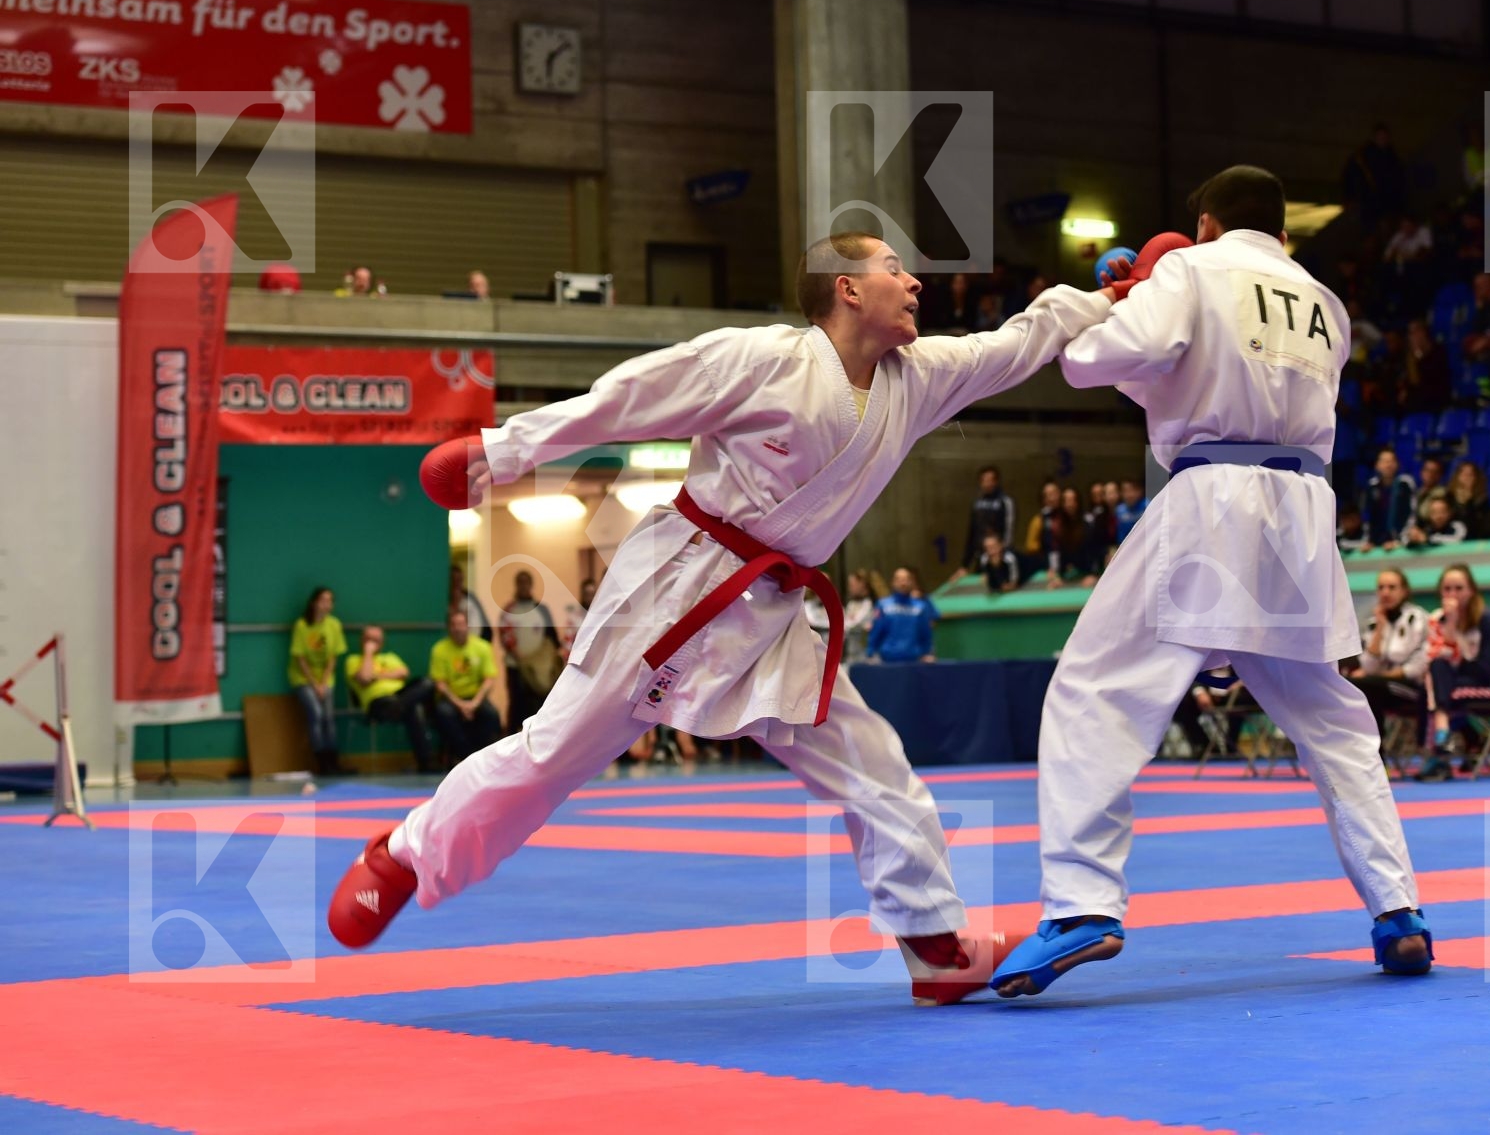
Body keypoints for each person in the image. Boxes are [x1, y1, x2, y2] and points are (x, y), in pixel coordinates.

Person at [328, 230, 1116, 1007]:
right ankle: (404, 855)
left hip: (775, 611)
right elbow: (630, 397)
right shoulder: (762, 359)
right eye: (893, 268)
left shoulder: (921, 377)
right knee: (554, 752)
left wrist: (1111, 297)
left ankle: (938, 947)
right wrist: (500, 452)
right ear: (847, 288)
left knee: (875, 766)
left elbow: (1024, 338)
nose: (915, 284)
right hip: (681, 587)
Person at [991, 166, 1431, 1003]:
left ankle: (1083, 904)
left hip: (1212, 499)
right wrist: (1148, 309)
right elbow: (1190, 375)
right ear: (1285, 232)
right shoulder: (1325, 303)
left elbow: (1102, 363)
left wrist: (1116, 303)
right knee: (1334, 723)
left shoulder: (1192, 271)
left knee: (1095, 690)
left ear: (1203, 225)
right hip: (1303, 509)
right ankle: (1398, 910)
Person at [1414, 565, 1490, 782]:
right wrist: (1451, 625)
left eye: (1459, 588)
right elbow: (1434, 655)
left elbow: (1488, 671)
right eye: (1447, 589)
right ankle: (1443, 738)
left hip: (1487, 683)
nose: (1452, 594)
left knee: (1433, 684)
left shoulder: (1489, 621)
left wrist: (1458, 648)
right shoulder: (1437, 619)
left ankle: (1438, 750)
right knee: (1435, 671)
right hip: (1450, 681)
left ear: (1471, 591)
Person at [1346, 568, 1431, 737]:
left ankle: (1377, 749)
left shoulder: (1418, 618)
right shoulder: (1374, 623)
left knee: (1365, 685)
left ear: (1404, 591)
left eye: (1392, 587)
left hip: (1413, 687)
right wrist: (1380, 628)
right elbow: (1369, 666)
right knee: (1353, 685)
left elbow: (1421, 663)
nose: (1385, 593)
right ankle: (1367, 746)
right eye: (1381, 588)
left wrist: (1386, 675)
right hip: (1381, 687)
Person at [346, 626, 440, 774]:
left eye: (376, 640)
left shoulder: (390, 657)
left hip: (401, 696)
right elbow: (364, 678)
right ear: (362, 641)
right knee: (414, 709)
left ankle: (399, 707)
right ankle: (426, 762)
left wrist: (376, 677)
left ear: (382, 643)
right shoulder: (354, 660)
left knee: (427, 683)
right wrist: (368, 653)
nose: (372, 643)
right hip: (377, 703)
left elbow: (404, 672)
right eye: (369, 639)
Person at [288, 587, 350, 776]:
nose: (327, 604)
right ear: (314, 602)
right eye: (323, 600)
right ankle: (321, 761)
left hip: (326, 678)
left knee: (328, 717)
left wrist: (323, 683)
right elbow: (300, 658)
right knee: (316, 713)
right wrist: (314, 684)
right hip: (304, 678)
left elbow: (333, 657)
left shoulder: (334, 625)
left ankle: (333, 760)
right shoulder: (302, 625)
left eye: (330, 600)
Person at [428, 609, 502, 764]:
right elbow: (440, 684)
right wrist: (461, 705)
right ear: (448, 627)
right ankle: (466, 757)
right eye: (453, 624)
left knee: (491, 715)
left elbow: (489, 679)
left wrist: (475, 703)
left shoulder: (482, 647)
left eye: (461, 624)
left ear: (467, 626)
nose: (457, 628)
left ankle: (482, 757)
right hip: (451, 698)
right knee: (444, 714)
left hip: (476, 697)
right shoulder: (439, 649)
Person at [496, 569, 563, 735]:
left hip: (538, 670)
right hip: (516, 667)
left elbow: (552, 639)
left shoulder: (542, 610)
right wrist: (519, 656)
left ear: (531, 585)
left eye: (527, 583)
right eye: (521, 583)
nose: (524, 586)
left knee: (539, 705)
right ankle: (511, 741)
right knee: (516, 705)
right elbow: (505, 637)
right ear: (516, 585)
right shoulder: (509, 610)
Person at [867, 566, 941, 664]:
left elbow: (925, 633)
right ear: (893, 583)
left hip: (914, 662)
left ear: (911, 582)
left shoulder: (921, 607)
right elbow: (876, 631)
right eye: (899, 580)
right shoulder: (883, 605)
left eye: (906, 580)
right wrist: (871, 653)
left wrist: (927, 653)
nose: (903, 583)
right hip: (887, 661)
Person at [957, 466, 1016, 577]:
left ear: (996, 481)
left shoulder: (1005, 501)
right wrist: (965, 565)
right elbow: (972, 533)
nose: (987, 483)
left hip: (999, 556)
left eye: (990, 480)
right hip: (981, 556)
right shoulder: (977, 503)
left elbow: (1009, 530)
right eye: (984, 480)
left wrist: (1002, 551)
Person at [1359, 448, 1415, 552]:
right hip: (1377, 542)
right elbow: (1367, 516)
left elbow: (1412, 513)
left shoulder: (1405, 484)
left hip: (1401, 541)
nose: (1388, 465)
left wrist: (1401, 539)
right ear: (1377, 465)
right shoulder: (1371, 486)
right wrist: (1369, 540)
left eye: (1391, 461)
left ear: (1397, 464)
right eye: (1384, 461)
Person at [1113, 478, 1147, 544]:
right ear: (1121, 493)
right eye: (1125, 491)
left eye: (1132, 490)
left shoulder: (1147, 506)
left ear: (1139, 491)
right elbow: (1120, 535)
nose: (1129, 495)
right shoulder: (1119, 510)